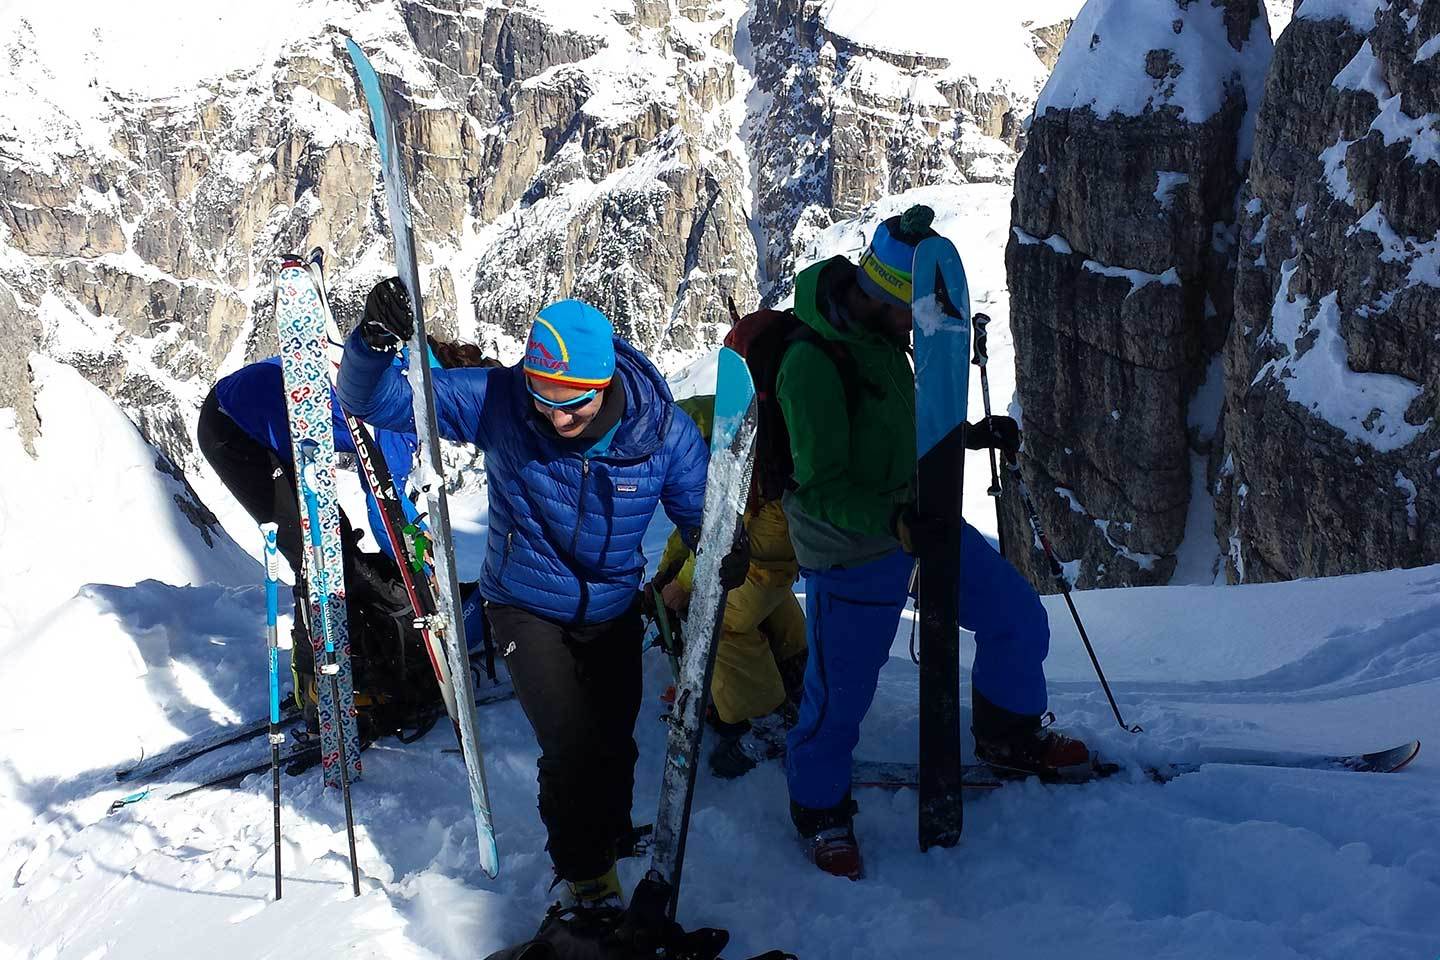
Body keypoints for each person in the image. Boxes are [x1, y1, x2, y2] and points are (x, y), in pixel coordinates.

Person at [337, 280, 749, 922]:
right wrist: (372, 343)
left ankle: (607, 836)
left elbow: (701, 510)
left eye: (573, 406)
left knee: (615, 742)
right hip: (523, 606)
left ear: (604, 384)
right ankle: (584, 876)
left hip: (611, 609)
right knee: (572, 747)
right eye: (543, 400)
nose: (557, 419)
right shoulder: (501, 401)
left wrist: (721, 539)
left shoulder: (660, 433)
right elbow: (376, 400)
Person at [775, 204, 1090, 879]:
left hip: (922, 513)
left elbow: (906, 426)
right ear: (887, 298)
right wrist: (893, 524)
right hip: (851, 545)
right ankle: (819, 809)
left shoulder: (884, 336)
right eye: (913, 311)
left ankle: (1009, 735)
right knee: (840, 696)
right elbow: (821, 485)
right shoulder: (813, 362)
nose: (921, 327)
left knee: (1016, 618)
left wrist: (967, 440)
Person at [197, 338, 499, 737]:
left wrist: (416, 540)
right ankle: (318, 690)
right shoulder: (408, 401)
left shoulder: (406, 365)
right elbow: (384, 507)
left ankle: (345, 664)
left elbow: (388, 493)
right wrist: (422, 566)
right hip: (237, 430)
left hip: (266, 419)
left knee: (332, 545)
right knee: (316, 555)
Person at [647, 393, 808, 780]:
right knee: (762, 591)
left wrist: (683, 582)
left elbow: (714, 525)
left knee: (719, 617)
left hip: (766, 511)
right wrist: (672, 564)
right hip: (787, 503)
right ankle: (795, 680)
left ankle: (768, 723)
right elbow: (695, 521)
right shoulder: (686, 419)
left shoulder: (676, 441)